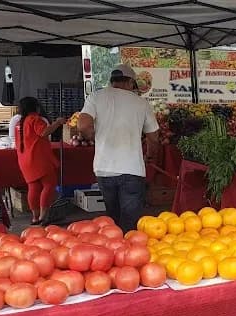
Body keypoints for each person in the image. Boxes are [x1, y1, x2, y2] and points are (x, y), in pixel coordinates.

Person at [78, 64, 159, 232]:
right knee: (130, 221)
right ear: (130, 82)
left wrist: (96, 137)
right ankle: (129, 252)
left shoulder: (96, 97)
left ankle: (114, 251)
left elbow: (83, 125)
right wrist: (150, 155)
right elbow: (153, 137)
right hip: (132, 169)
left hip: (104, 169)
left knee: (112, 220)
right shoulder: (141, 103)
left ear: (112, 81)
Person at [15, 97, 66, 225]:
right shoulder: (34, 119)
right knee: (49, 185)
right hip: (39, 159)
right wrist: (57, 123)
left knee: (33, 187)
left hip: (25, 160)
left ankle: (35, 217)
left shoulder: (19, 123)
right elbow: (43, 132)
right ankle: (43, 216)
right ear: (36, 107)